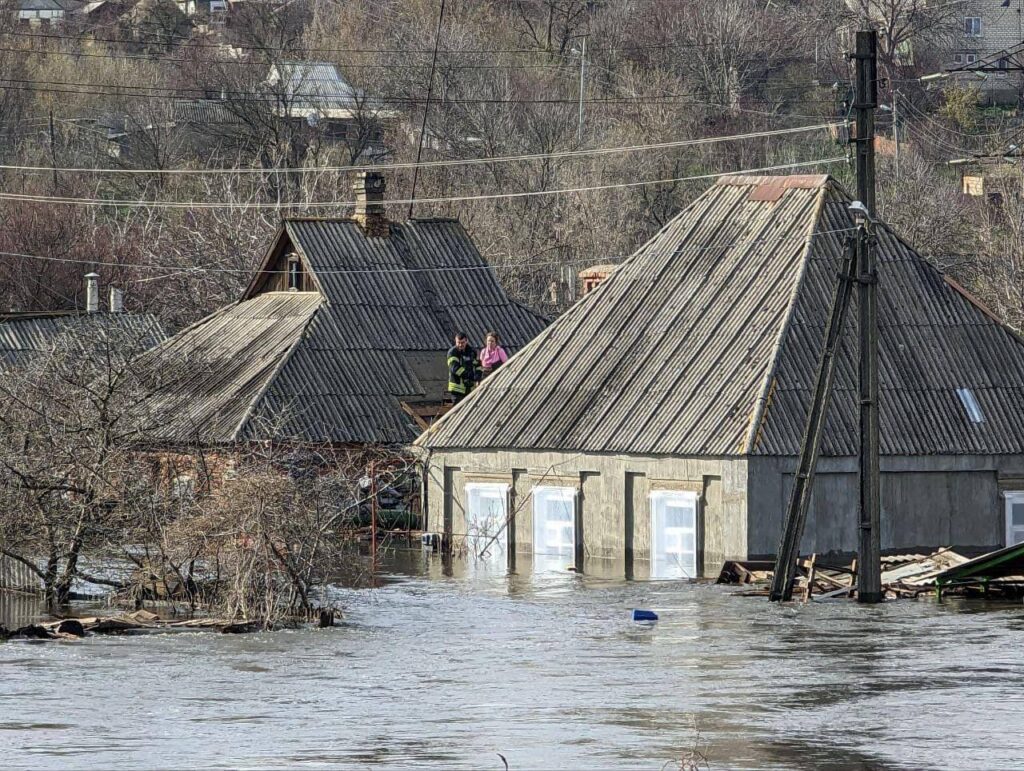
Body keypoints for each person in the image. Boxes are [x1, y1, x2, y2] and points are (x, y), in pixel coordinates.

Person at [447, 332, 481, 404]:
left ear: (466, 341)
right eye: (458, 342)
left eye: (462, 343)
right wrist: (470, 376)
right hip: (457, 388)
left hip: (469, 388)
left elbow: (478, 365)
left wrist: (478, 375)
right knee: (458, 412)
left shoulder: (472, 352)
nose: (460, 345)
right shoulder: (452, 352)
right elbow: (454, 368)